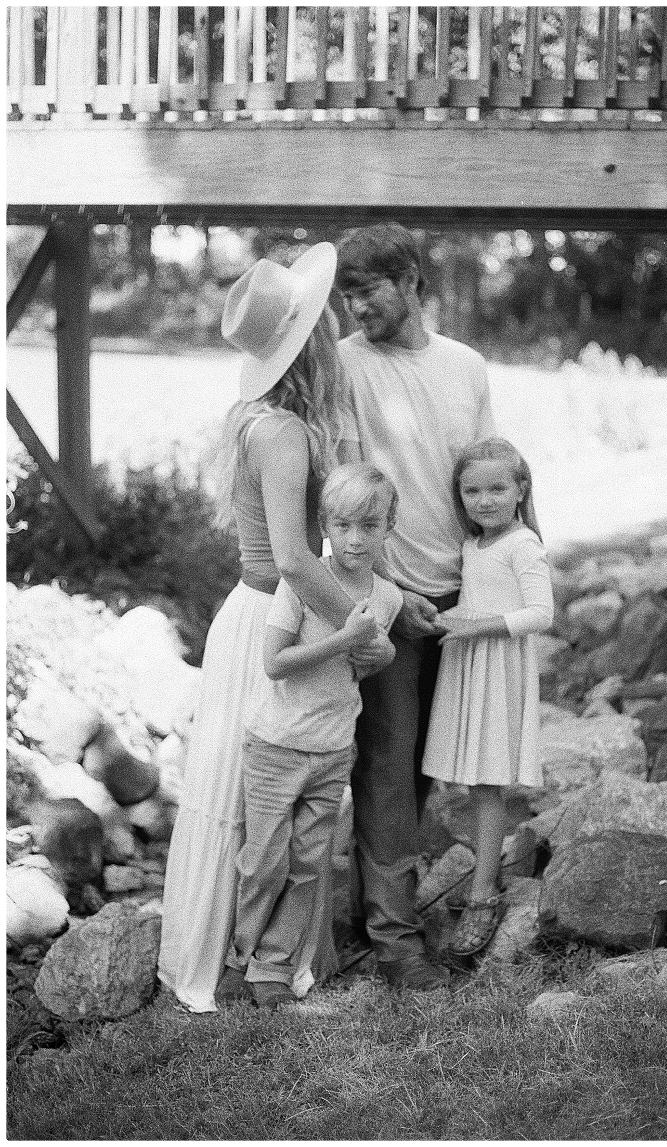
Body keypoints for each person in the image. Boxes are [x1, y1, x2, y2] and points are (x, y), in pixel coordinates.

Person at [158, 244, 392, 1013]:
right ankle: (243, 961)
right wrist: (357, 632)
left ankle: (263, 956)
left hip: (259, 608)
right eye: (330, 318)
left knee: (255, 800)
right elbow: (293, 558)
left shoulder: (269, 418)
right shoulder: (285, 432)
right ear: (315, 336)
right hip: (274, 614)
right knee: (260, 805)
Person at [335, 223, 496, 989]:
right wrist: (390, 599)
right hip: (388, 601)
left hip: (461, 600)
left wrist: (504, 584)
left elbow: (487, 479)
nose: (355, 307)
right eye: (347, 294)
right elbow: (341, 495)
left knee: (432, 768)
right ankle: (395, 943)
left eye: (367, 290)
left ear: (410, 280)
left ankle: (375, 903)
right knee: (387, 770)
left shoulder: (465, 366)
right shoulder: (345, 366)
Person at [218, 464, 403, 1007]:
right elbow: (276, 663)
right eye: (343, 525)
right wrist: (345, 637)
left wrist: (380, 654)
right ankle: (237, 956)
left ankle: (272, 968)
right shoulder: (300, 584)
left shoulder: (386, 598)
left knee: (307, 864)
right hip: (276, 744)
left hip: (332, 746)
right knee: (263, 859)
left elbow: (358, 668)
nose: (354, 539)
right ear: (324, 524)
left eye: (369, 526)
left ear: (387, 528)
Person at [421, 438, 554, 959]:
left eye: (498, 487)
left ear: (521, 489)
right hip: (472, 664)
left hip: (498, 667)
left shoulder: (523, 545)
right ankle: (482, 872)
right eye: (472, 490)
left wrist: (478, 627)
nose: (486, 499)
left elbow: (541, 613)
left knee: (488, 782)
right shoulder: (475, 545)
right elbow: (476, 599)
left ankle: (483, 894)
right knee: (474, 780)